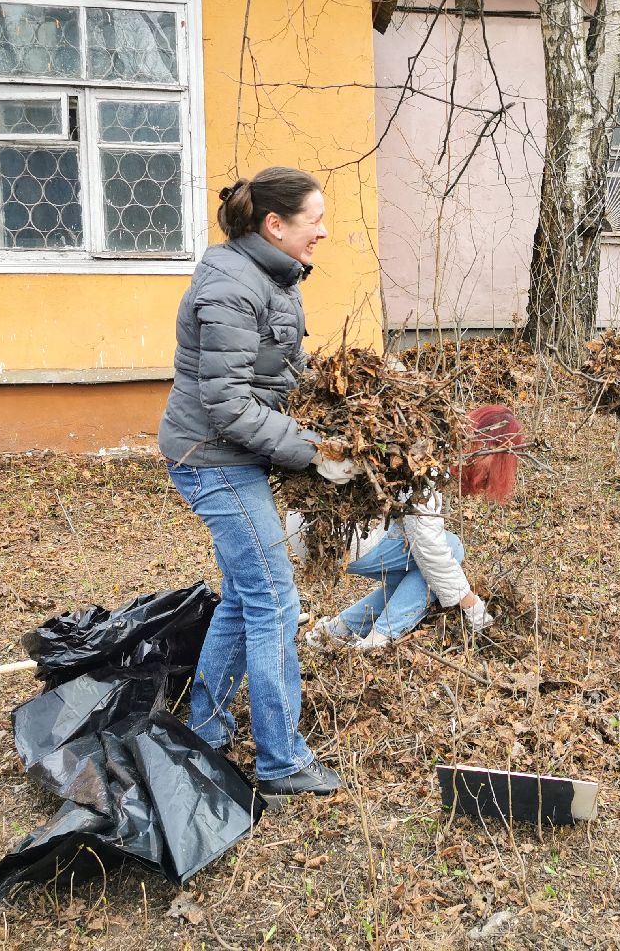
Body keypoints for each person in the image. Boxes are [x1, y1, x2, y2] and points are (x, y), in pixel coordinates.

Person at [158, 167, 358, 797]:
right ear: (275, 224)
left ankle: (207, 731)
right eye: (314, 220)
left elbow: (279, 373)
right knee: (276, 601)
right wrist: (311, 452)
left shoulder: (273, 277)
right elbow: (227, 404)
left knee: (247, 598)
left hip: (233, 457)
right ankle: (279, 761)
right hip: (212, 459)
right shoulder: (231, 287)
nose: (324, 232)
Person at [305, 404, 523, 649]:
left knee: (418, 578)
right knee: (449, 549)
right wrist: (472, 605)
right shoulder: (429, 458)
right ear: (489, 451)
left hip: (310, 528)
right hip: (341, 534)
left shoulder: (432, 437)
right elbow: (428, 545)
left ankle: (336, 630)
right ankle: (377, 641)